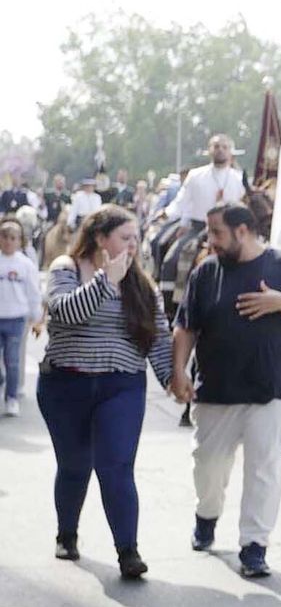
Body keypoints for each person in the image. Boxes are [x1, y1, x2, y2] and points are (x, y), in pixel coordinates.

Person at [171, 204, 281, 577]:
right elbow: (186, 327)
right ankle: (206, 515)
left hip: (271, 387)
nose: (210, 241)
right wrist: (178, 371)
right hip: (216, 389)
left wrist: (280, 302)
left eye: (217, 233)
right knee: (208, 465)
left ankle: (254, 545)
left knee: (264, 468)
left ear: (242, 231)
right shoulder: (206, 272)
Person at [38, 205, 188, 578]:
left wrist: (173, 378)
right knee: (75, 466)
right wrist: (106, 281)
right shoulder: (65, 269)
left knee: (116, 467)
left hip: (120, 386)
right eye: (125, 237)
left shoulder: (142, 284)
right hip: (65, 384)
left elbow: (155, 338)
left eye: (136, 238)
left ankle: (128, 552)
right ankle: (66, 534)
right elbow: (65, 312)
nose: (133, 245)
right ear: (99, 238)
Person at [156, 134, 247, 288]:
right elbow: (182, 201)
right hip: (199, 229)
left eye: (225, 147)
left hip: (232, 231)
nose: (220, 150)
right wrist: (167, 213)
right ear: (209, 151)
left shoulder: (239, 179)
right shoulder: (195, 175)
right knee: (171, 260)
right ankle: (169, 305)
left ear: (231, 152)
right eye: (216, 146)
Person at [0, 218, 43, 416]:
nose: (8, 241)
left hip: (16, 318)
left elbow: (33, 292)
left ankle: (11, 397)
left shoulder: (25, 265)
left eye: (13, 238)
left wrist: (37, 318)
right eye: (4, 237)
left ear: (19, 241)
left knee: (13, 360)